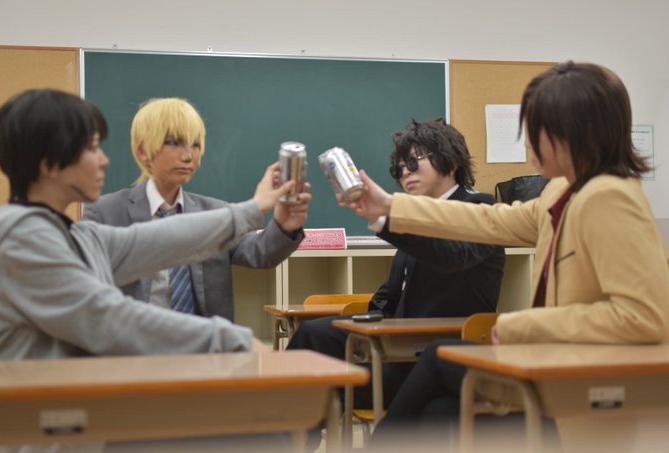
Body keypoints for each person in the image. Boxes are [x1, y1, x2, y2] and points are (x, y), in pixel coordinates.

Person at [342, 62, 669, 449]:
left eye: (535, 130)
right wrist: (391, 205)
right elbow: (491, 220)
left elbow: (644, 318)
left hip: (589, 387)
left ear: (573, 132)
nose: (526, 143)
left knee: (439, 359)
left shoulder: (609, 198)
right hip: (555, 367)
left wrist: (524, 326)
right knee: (439, 412)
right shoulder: (562, 191)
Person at [0, 89, 302, 451]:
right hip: (48, 435)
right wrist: (231, 340)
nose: (104, 160)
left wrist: (254, 208)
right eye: (92, 148)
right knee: (262, 435)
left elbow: (158, 241)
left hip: (84, 419)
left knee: (260, 431)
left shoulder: (72, 235)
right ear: (49, 164)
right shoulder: (24, 241)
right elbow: (107, 317)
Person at [287, 118, 505, 448]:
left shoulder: (480, 208)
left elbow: (452, 256)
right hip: (395, 352)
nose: (405, 173)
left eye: (414, 162)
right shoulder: (415, 215)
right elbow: (393, 293)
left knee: (326, 380)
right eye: (398, 168)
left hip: (436, 357)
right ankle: (285, 441)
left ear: (450, 162)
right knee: (312, 337)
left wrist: (385, 220)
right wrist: (368, 320)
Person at [83, 98, 309, 320]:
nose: (188, 156)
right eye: (173, 143)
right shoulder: (106, 213)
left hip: (206, 339)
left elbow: (259, 253)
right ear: (143, 151)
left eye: (195, 145)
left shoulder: (214, 212)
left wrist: (284, 226)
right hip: (135, 339)